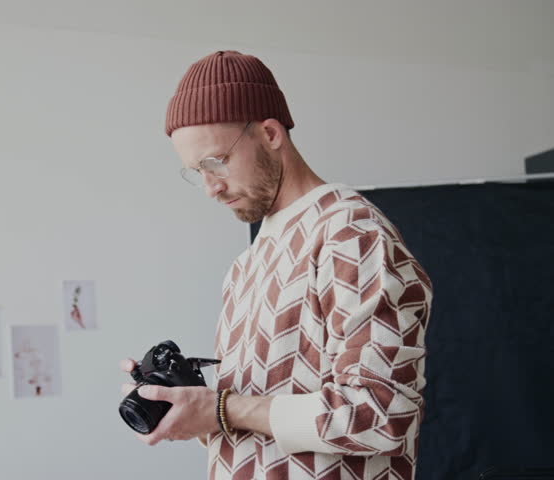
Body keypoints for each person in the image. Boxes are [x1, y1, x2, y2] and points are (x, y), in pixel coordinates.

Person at [119, 50, 433, 480]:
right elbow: (251, 429)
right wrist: (187, 407)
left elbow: (381, 414)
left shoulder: (349, 233)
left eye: (216, 162)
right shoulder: (247, 264)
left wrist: (222, 408)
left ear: (269, 133)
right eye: (196, 171)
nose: (210, 187)